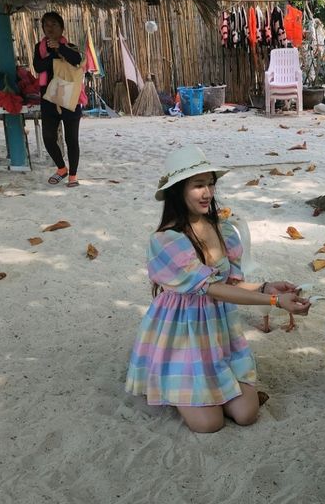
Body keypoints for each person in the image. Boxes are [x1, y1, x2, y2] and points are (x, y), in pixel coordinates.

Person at [125, 146, 310, 433]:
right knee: (208, 424)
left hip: (216, 331)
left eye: (210, 183)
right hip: (182, 335)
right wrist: (273, 300)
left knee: (247, 413)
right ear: (177, 191)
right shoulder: (166, 240)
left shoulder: (222, 229)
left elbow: (230, 284)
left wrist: (264, 286)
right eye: (198, 185)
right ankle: (174, 385)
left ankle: (207, 389)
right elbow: (213, 289)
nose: (208, 193)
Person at [32, 12, 84, 188]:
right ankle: (62, 169)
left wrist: (60, 49)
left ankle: (73, 175)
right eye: (46, 25)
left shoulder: (70, 46)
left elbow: (77, 61)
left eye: (54, 24)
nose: (50, 28)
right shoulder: (39, 48)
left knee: (71, 140)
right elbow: (38, 67)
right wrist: (53, 55)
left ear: (62, 28)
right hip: (48, 99)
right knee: (48, 137)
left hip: (70, 98)